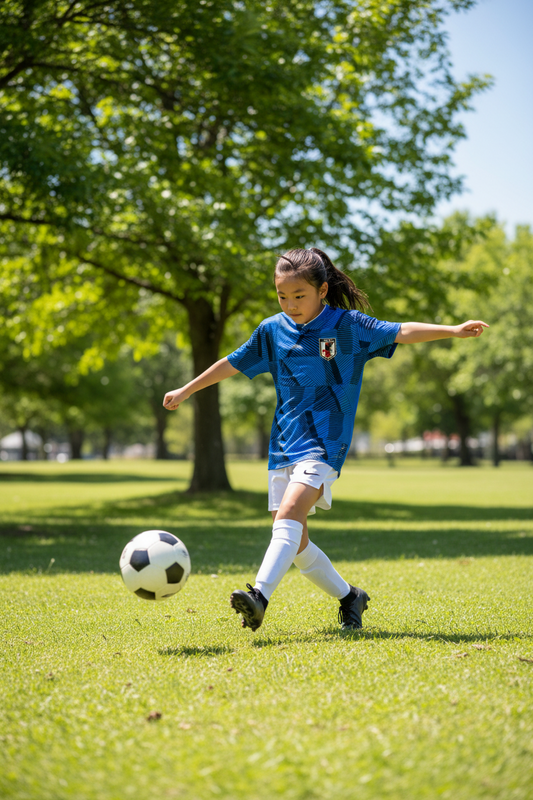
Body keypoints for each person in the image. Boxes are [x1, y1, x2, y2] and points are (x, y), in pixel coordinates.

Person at [163, 248, 488, 632]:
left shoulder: (347, 325)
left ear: (322, 290)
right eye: (282, 296)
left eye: (299, 295)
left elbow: (400, 330)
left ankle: (259, 597)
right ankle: (351, 597)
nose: (290, 304)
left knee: (289, 517)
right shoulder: (271, 330)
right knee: (295, 541)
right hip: (283, 443)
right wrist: (187, 389)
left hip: (324, 444)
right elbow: (233, 362)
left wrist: (452, 330)